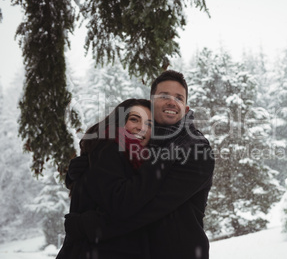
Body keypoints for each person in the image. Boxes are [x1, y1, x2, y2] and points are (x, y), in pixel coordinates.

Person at [63, 70, 215, 259]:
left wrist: (88, 226)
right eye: (164, 96)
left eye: (179, 98)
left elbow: (146, 208)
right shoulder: (142, 143)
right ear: (152, 103)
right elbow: (114, 185)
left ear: (185, 108)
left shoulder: (195, 150)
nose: (171, 101)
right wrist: (84, 172)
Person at [56, 98, 153, 259]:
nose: (141, 128)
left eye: (149, 124)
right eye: (134, 119)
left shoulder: (134, 158)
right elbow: (122, 208)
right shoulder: (110, 149)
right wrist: (85, 225)